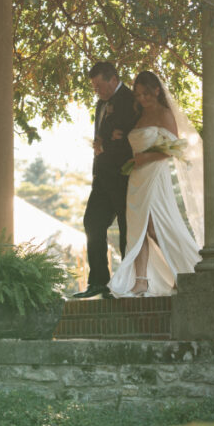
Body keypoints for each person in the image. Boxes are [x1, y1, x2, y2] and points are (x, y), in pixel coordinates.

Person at [108, 71, 200, 298]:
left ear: (157, 91)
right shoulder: (139, 116)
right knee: (138, 229)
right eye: (138, 95)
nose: (141, 99)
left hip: (155, 177)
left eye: (145, 94)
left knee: (155, 228)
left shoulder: (164, 114)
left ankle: (186, 271)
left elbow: (175, 149)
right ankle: (141, 282)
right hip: (137, 177)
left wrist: (145, 158)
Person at [74, 61, 138, 299]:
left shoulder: (131, 100)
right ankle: (99, 281)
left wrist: (108, 144)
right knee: (92, 222)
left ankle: (129, 281)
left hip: (123, 176)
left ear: (112, 79)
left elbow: (136, 135)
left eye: (99, 85)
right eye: (93, 87)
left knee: (126, 230)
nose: (96, 90)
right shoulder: (101, 103)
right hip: (102, 177)